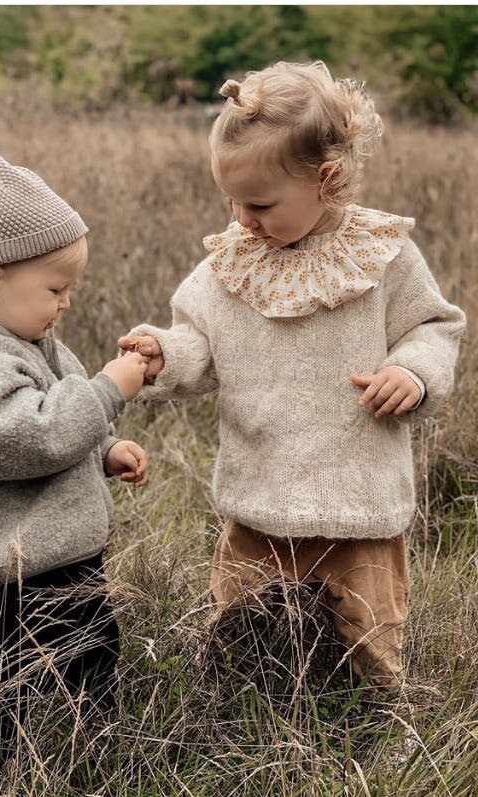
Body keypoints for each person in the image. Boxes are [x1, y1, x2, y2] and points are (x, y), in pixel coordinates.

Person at [119, 61, 466, 689]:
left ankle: (374, 725)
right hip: (259, 496)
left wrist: (412, 372)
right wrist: (163, 354)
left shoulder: (382, 256)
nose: (243, 219)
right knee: (242, 637)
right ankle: (242, 713)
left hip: (358, 502)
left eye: (260, 203)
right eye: (233, 201)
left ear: (327, 179)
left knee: (366, 646)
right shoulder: (235, 261)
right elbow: (201, 341)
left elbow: (433, 327)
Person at [0, 148, 149, 766]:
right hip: (3, 570)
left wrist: (104, 450)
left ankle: (97, 761)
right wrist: (108, 390)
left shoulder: (31, 339)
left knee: (95, 662)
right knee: (7, 683)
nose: (65, 303)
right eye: (56, 288)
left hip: (61, 553)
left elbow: (64, 424)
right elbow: (35, 435)